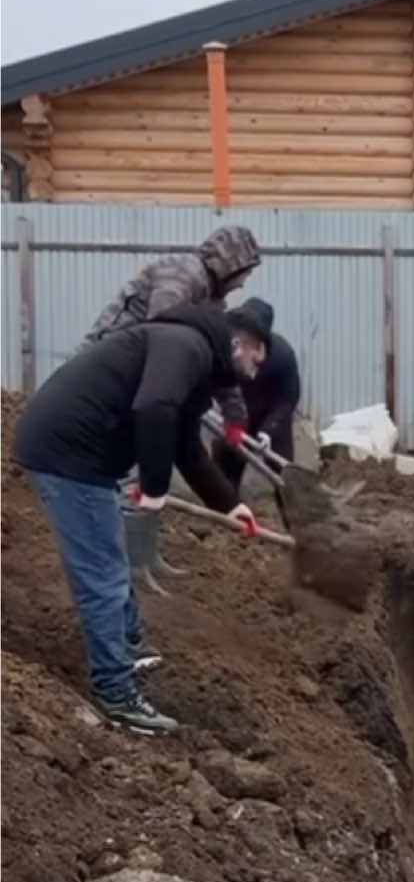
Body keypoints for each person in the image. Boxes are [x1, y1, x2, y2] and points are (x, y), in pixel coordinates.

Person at [14, 304, 269, 734]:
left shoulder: (192, 357)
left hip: (82, 454)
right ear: (240, 343)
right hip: (68, 454)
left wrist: (229, 504)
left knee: (109, 556)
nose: (257, 369)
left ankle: (128, 645)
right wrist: (154, 489)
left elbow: (185, 445)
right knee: (104, 573)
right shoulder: (185, 346)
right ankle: (114, 692)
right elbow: (154, 409)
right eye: (257, 357)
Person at [83, 225, 262, 436]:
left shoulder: (211, 300)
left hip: (127, 374)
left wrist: (235, 413)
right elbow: (166, 339)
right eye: (245, 275)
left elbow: (218, 354)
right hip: (102, 371)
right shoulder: (181, 274)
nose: (242, 285)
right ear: (231, 264)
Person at [209, 298, 301, 495]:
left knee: (284, 477)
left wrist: (270, 429)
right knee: (224, 471)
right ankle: (227, 513)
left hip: (272, 418)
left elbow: (289, 398)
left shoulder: (282, 356)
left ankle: (292, 516)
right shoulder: (225, 351)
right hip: (236, 415)